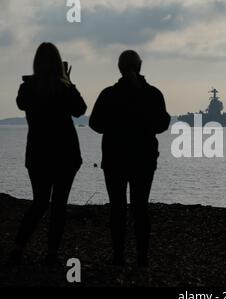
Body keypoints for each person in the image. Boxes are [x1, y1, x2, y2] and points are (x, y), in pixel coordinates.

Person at [89, 50, 171, 267]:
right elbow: (162, 123)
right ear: (140, 66)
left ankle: (118, 257)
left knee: (117, 208)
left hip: (115, 158)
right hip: (144, 159)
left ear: (120, 67)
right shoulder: (153, 94)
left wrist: (115, 126)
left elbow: (95, 124)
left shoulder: (109, 94)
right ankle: (142, 258)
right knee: (140, 208)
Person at [9, 42, 87, 265]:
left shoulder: (27, 88)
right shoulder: (64, 88)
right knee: (59, 204)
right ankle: (51, 253)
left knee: (39, 202)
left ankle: (18, 247)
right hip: (65, 154)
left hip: (38, 154)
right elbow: (80, 110)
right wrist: (69, 82)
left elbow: (20, 104)